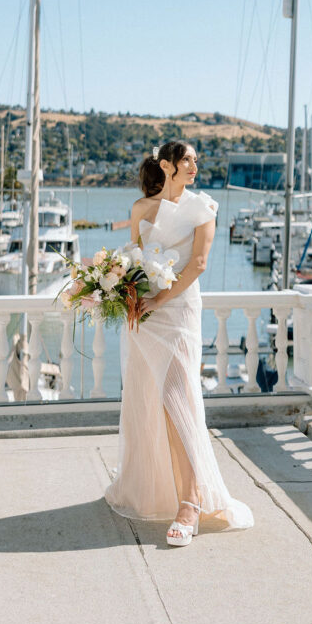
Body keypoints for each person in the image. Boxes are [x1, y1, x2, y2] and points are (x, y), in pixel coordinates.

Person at [104, 140, 254, 546]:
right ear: (166, 166)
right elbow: (132, 260)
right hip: (143, 318)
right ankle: (149, 488)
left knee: (177, 400)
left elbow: (198, 264)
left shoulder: (202, 209)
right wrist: (128, 295)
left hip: (178, 312)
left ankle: (191, 501)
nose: (194, 166)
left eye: (196, 160)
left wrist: (158, 299)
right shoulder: (140, 209)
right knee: (144, 398)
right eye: (186, 160)